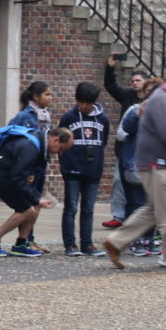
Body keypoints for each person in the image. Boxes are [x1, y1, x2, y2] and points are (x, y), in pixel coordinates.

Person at [103, 64, 166, 274]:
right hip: (162, 164)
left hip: (160, 163)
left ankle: (116, 241)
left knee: (155, 209)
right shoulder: (165, 99)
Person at [0, 128, 74, 255]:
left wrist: (29, 174)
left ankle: (21, 244)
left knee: (35, 205)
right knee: (26, 210)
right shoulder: (31, 147)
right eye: (62, 149)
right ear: (56, 140)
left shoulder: (38, 141)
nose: (61, 153)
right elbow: (17, 178)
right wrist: (37, 198)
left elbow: (20, 165)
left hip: (6, 174)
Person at [58, 82, 109, 257]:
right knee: (71, 207)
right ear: (77, 101)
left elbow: (103, 141)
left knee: (88, 209)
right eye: (82, 102)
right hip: (72, 170)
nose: (85, 106)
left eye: (88, 103)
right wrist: (65, 164)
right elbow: (61, 142)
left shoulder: (102, 119)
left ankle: (87, 244)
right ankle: (70, 244)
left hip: (93, 170)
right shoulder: (68, 118)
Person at [6, 81, 53, 253]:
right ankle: (23, 241)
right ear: (35, 96)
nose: (50, 98)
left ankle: (29, 239)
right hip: (29, 166)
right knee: (28, 204)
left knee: (35, 202)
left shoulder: (46, 115)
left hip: (40, 164)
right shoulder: (24, 116)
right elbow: (13, 136)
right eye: (47, 94)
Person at [102, 54, 147, 228]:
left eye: (138, 80)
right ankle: (118, 216)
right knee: (119, 181)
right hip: (125, 150)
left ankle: (141, 221)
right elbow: (111, 86)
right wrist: (110, 67)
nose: (134, 83)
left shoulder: (154, 99)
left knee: (143, 187)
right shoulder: (128, 96)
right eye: (133, 81)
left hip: (144, 151)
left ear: (146, 82)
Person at [117, 78, 160, 256]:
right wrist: (137, 114)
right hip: (135, 165)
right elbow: (124, 130)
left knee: (153, 205)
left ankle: (148, 239)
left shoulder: (161, 113)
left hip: (154, 165)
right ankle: (133, 240)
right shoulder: (135, 110)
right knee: (135, 203)